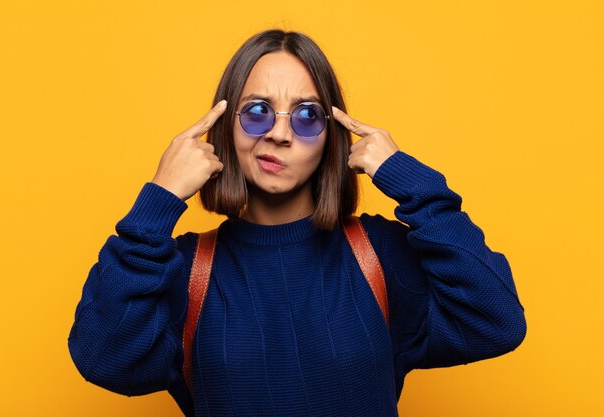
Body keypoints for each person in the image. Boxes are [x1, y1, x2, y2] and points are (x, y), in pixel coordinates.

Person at [68, 29, 527, 416]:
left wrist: (410, 180)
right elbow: (103, 359)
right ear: (224, 125)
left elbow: (497, 322)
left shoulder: (378, 255)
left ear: (331, 140)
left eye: (307, 116)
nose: (280, 133)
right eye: (257, 111)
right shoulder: (184, 271)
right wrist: (159, 200)